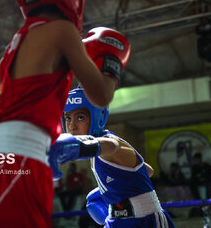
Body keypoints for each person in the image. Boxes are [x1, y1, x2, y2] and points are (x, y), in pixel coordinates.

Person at [0, 0, 130, 227]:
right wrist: (111, 64)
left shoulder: (17, 41)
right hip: (24, 163)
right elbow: (100, 96)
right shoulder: (62, 30)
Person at [49, 87, 175, 227]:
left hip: (144, 219)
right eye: (67, 118)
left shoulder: (110, 144)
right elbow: (148, 170)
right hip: (116, 220)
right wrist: (111, 189)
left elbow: (110, 145)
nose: (72, 126)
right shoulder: (97, 153)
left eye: (80, 118)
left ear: (98, 117)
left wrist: (75, 147)